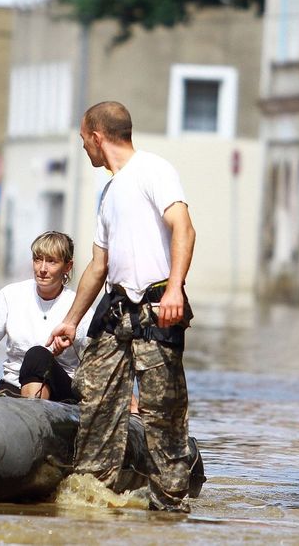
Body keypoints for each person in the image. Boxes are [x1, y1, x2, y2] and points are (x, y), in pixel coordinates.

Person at [47, 101, 197, 513]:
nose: (83, 149)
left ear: (97, 136)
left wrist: (175, 290)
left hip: (158, 308)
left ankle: (170, 504)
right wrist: (71, 321)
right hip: (115, 314)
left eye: (83, 141)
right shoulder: (109, 190)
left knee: (162, 412)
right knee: (93, 397)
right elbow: (99, 265)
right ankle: (91, 497)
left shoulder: (153, 170)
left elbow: (183, 227)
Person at [0, 231, 89, 402]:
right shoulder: (10, 295)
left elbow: (102, 360)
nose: (42, 269)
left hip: (61, 391)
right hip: (14, 384)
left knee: (37, 355)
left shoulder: (79, 308)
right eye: (38, 259)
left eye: (51, 262)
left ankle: (36, 414)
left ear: (67, 266)